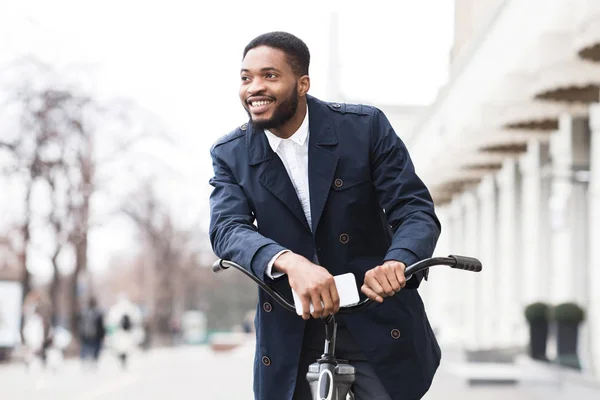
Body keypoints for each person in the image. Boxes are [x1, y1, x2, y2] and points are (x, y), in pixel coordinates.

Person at [209, 31, 441, 400]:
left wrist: (398, 261)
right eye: (245, 77)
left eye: (269, 76)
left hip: (374, 314)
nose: (254, 87)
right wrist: (288, 262)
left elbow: (413, 208)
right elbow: (227, 228)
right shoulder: (230, 153)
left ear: (302, 84)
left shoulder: (364, 128)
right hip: (292, 328)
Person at [79, 297, 106, 368]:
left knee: (86, 348)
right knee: (95, 349)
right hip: (95, 335)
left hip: (86, 335)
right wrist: (103, 335)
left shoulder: (83, 312)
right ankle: (93, 361)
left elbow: (80, 324)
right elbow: (101, 325)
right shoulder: (98, 313)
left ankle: (85, 361)